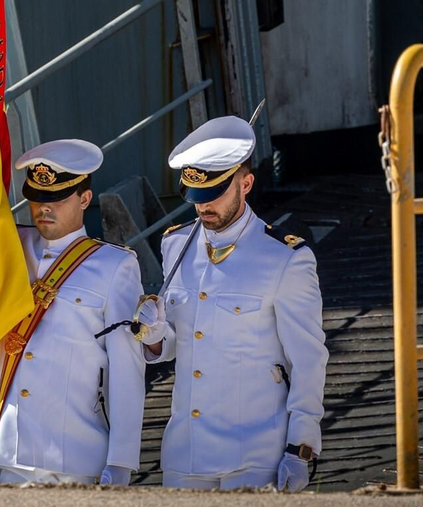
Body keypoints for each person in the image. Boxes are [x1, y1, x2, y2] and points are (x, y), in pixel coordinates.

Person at [140, 116, 327, 491]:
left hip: (254, 454)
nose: (203, 206)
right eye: (195, 196)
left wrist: (301, 448)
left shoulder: (285, 258)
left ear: (245, 183)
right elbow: (183, 340)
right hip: (186, 451)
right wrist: (156, 336)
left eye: (214, 193)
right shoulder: (176, 246)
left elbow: (308, 360)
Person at [0, 139, 144, 486]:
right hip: (12, 451)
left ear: (84, 199)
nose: (44, 209)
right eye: (37, 199)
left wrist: (121, 461)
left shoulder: (115, 267)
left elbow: (127, 369)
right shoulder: (7, 249)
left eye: (56, 199)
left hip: (76, 456)